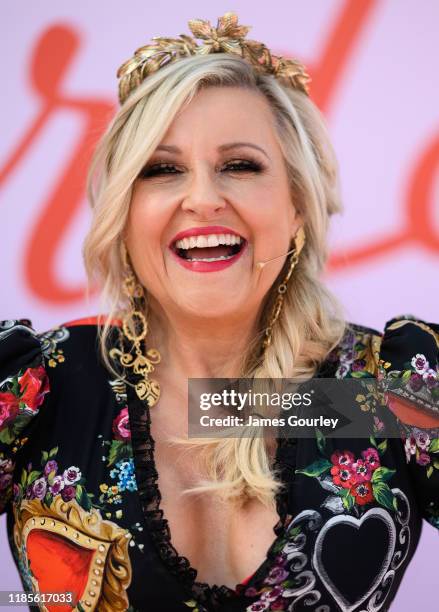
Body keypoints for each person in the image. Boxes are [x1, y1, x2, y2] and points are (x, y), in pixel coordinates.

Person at [1, 12, 438, 612]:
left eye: (240, 165)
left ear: (297, 210)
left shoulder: (378, 390)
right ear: (124, 216)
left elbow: (227, 403)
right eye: (162, 169)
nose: (202, 198)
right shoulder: (38, 385)